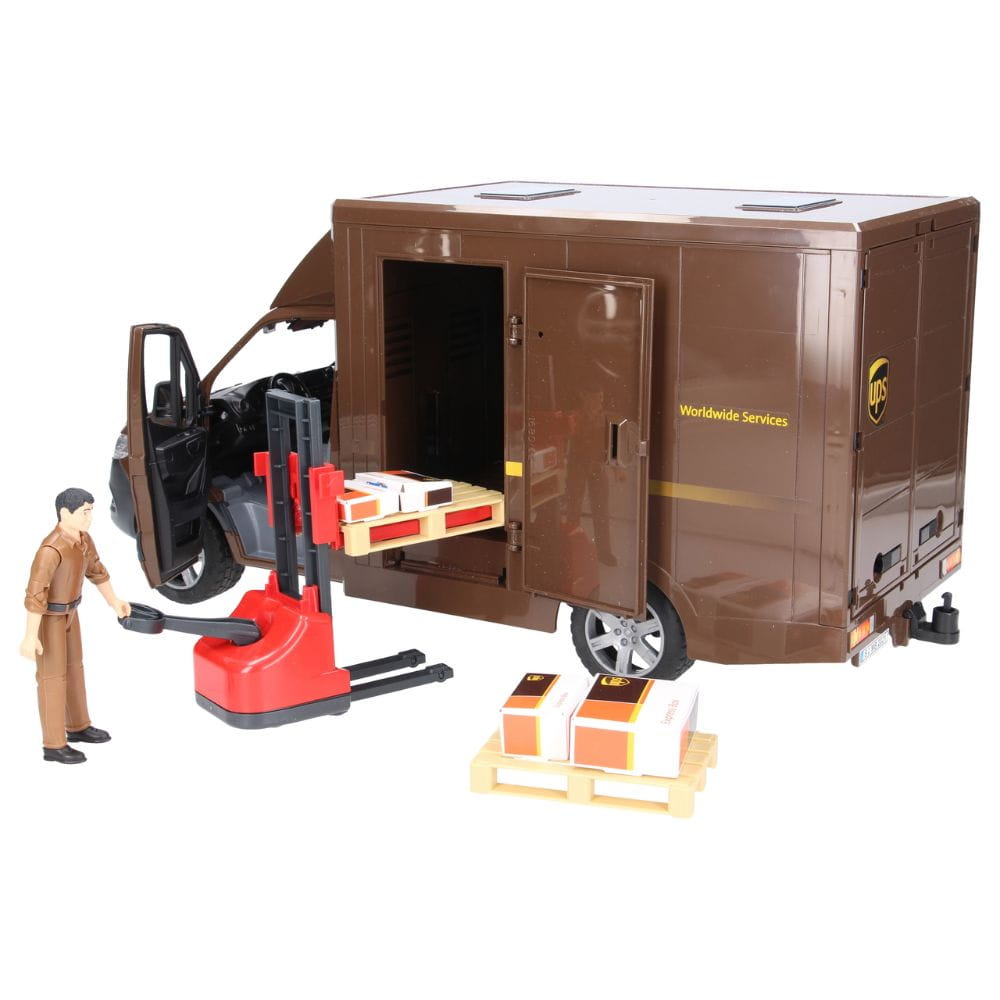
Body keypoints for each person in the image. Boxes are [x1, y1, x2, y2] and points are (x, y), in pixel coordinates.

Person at [20, 488, 131, 764]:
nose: (89, 518)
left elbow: (97, 571)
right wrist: (30, 635)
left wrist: (114, 601)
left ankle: (78, 726)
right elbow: (35, 594)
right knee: (52, 678)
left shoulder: (83, 540)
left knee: (74, 669)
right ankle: (54, 744)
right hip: (50, 618)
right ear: (64, 513)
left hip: (72, 613)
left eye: (91, 511)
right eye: (84, 512)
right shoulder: (50, 550)